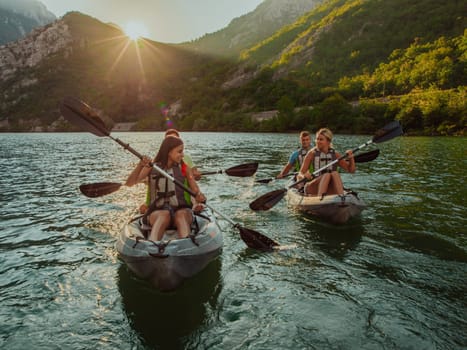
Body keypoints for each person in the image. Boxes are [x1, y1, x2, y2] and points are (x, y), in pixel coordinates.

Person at [125, 136, 206, 241]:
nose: (182, 155)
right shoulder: (151, 167)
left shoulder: (184, 168)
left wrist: (199, 196)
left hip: (182, 211)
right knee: (164, 214)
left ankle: (186, 243)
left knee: (180, 214)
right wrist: (140, 166)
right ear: (169, 152)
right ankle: (152, 245)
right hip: (157, 212)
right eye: (179, 151)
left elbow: (195, 189)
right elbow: (130, 183)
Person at [297, 128, 355, 197]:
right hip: (313, 187)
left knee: (335, 173)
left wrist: (351, 158)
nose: (318, 141)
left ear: (328, 141)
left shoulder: (335, 154)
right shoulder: (312, 153)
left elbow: (351, 170)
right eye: (317, 139)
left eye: (321, 139)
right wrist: (304, 175)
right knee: (326, 175)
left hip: (329, 188)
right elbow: (300, 174)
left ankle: (341, 197)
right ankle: (320, 199)